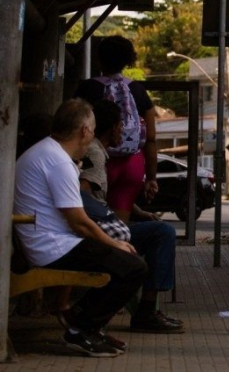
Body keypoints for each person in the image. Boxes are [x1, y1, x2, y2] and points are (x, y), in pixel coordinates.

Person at [14, 99, 148, 358]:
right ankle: (79, 329)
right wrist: (114, 243)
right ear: (85, 130)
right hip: (52, 247)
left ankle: (85, 324)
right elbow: (79, 221)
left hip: (48, 242)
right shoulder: (58, 161)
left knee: (126, 262)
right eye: (94, 129)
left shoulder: (49, 152)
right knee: (134, 267)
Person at [77, 99, 184, 334]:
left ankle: (146, 310)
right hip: (95, 230)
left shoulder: (99, 152)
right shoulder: (95, 154)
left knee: (156, 229)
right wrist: (108, 223)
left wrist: (139, 212)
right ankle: (146, 311)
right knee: (163, 233)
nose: (124, 131)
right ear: (113, 128)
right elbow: (84, 196)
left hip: (98, 225)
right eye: (121, 126)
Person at [74, 35, 158, 222]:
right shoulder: (138, 90)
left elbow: (73, 127)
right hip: (132, 165)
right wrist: (151, 177)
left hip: (97, 161)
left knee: (94, 221)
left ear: (99, 58)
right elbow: (150, 138)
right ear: (128, 60)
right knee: (120, 227)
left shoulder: (88, 88)